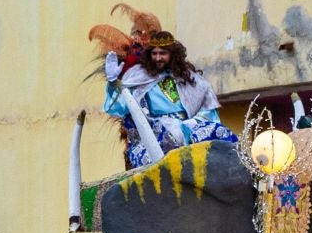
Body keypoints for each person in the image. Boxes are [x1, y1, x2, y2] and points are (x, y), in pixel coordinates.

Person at [98, 23, 233, 168]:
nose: (157, 58)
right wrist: (113, 84)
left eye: (162, 53)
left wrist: (186, 127)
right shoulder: (137, 77)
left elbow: (209, 112)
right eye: (154, 53)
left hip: (191, 130)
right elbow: (122, 106)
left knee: (222, 136)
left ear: (173, 55)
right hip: (155, 133)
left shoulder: (191, 79)